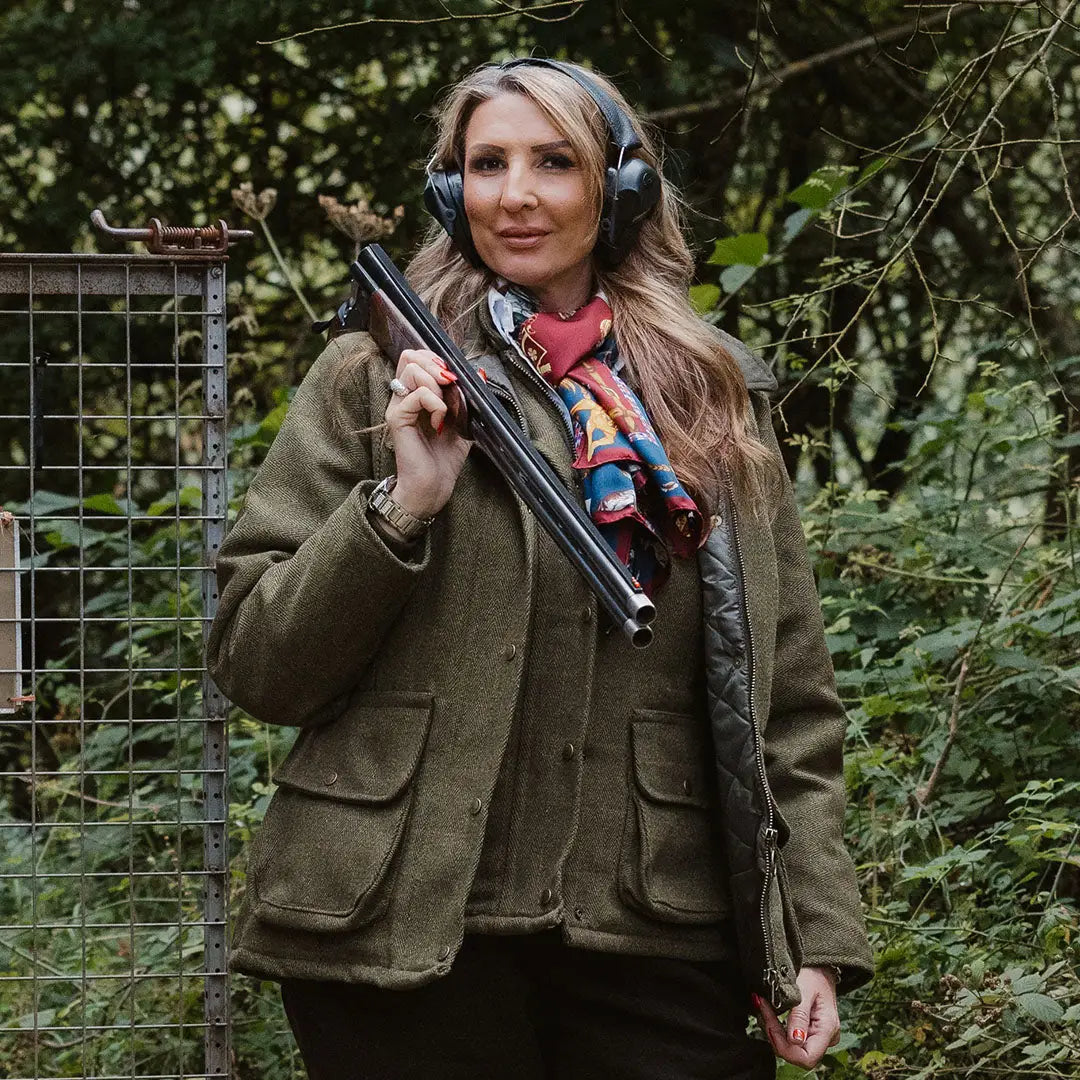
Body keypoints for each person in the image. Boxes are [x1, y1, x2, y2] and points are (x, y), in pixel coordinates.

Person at [205, 57, 873, 1080]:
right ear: (449, 189)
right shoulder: (372, 375)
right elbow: (259, 662)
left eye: (553, 162)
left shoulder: (710, 398)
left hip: (655, 932)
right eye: (485, 164)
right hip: (399, 924)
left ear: (620, 190)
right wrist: (403, 502)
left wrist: (810, 935)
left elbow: (788, 700)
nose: (513, 194)